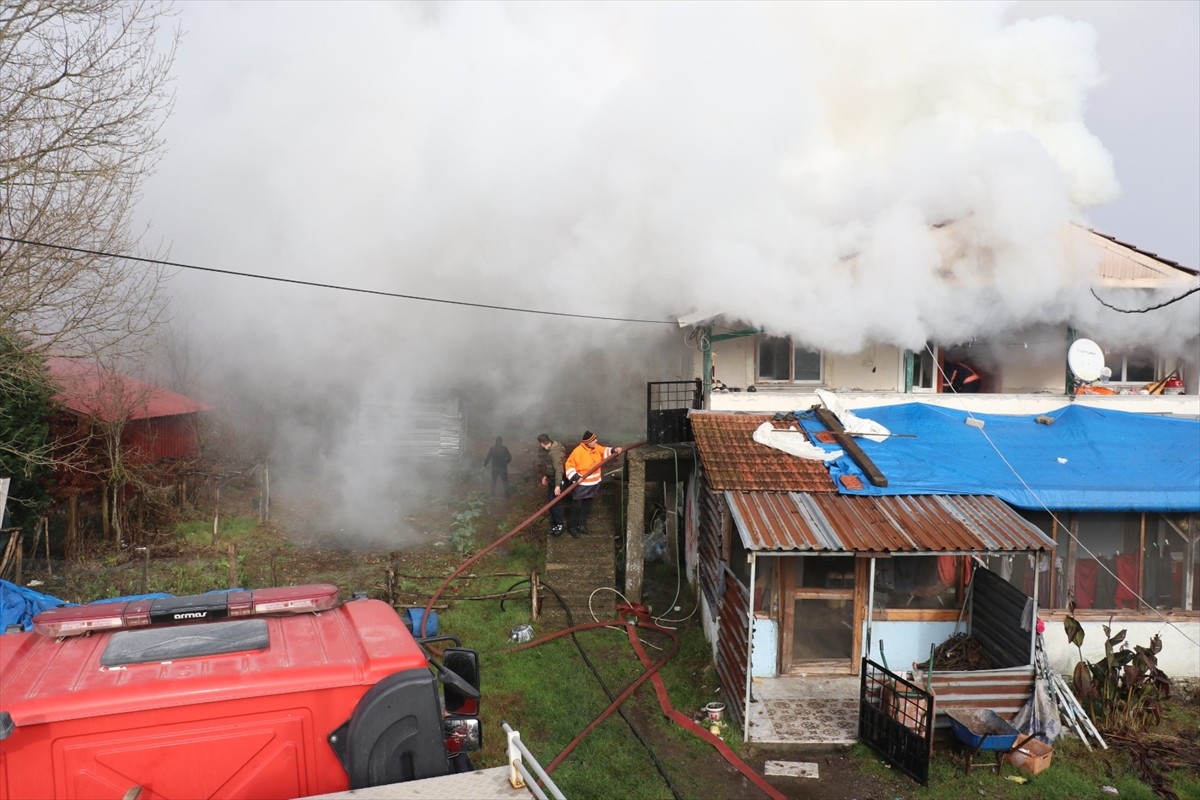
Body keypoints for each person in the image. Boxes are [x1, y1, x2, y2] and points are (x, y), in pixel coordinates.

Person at [563, 431, 623, 538]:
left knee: (587, 506)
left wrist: (614, 450)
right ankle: (572, 527)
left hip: (594, 483)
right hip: (582, 484)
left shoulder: (596, 448)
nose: (596, 441)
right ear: (588, 442)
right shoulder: (578, 452)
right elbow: (569, 465)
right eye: (594, 440)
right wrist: (576, 477)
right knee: (577, 506)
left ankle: (582, 525)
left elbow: (605, 450)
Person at [536, 433, 567, 535]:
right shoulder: (551, 449)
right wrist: (546, 475)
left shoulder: (554, 452)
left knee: (554, 503)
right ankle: (555, 525)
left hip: (557, 480)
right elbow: (551, 466)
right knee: (551, 501)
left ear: (541, 444)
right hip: (552, 478)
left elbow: (558, 470)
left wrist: (558, 485)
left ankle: (560, 525)